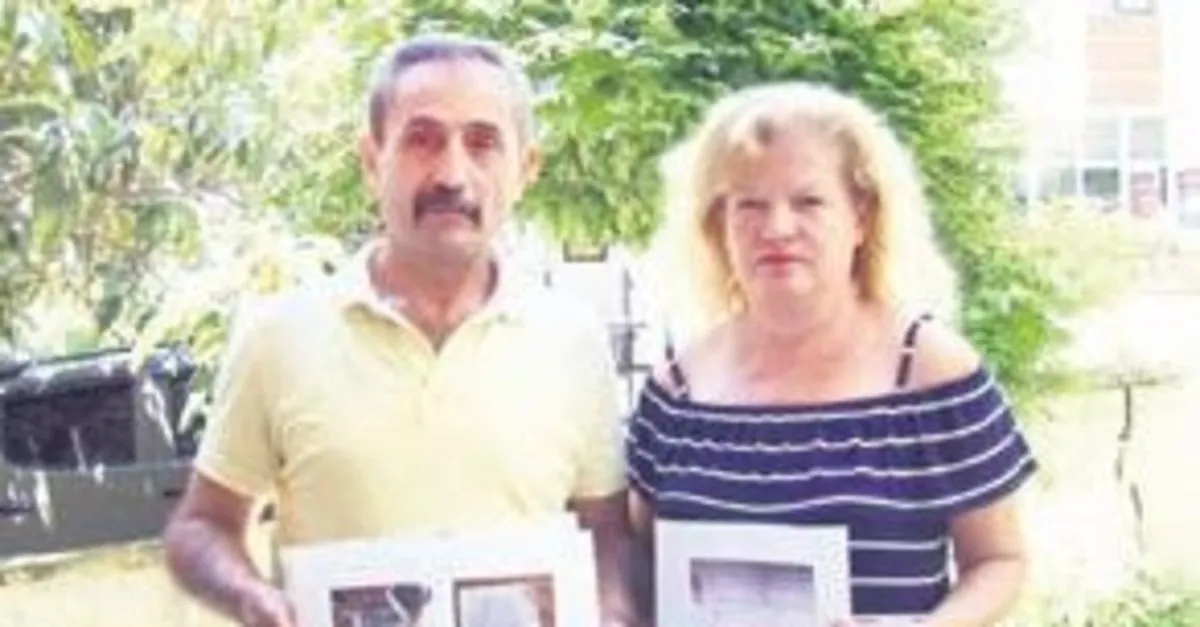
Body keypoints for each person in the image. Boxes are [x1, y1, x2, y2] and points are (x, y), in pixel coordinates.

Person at [162, 33, 635, 627]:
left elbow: (608, 536)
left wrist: (614, 612)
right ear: (371, 160)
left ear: (526, 168)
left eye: (483, 143)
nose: (452, 174)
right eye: (422, 139)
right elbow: (202, 526)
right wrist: (251, 598)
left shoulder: (572, 342)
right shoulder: (278, 336)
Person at [625, 82, 1037, 626]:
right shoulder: (676, 392)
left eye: (808, 202)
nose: (777, 228)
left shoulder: (929, 373)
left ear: (861, 216)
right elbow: (640, 567)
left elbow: (1000, 562)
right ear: (717, 225)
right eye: (750, 205)